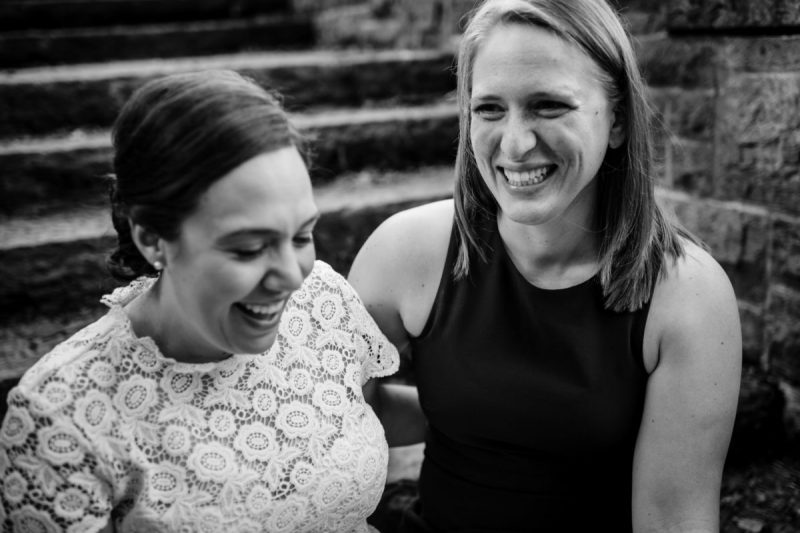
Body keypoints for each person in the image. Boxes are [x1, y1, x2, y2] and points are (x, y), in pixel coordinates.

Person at [348, 0, 742, 531]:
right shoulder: (406, 251)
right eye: (489, 109)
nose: (514, 144)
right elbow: (335, 424)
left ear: (619, 119)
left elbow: (673, 521)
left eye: (549, 106)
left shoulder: (688, 295)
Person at [0, 70, 399, 532]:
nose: (292, 277)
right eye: (249, 248)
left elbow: (365, 411)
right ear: (152, 239)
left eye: (302, 235)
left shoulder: (322, 301)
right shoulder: (60, 415)